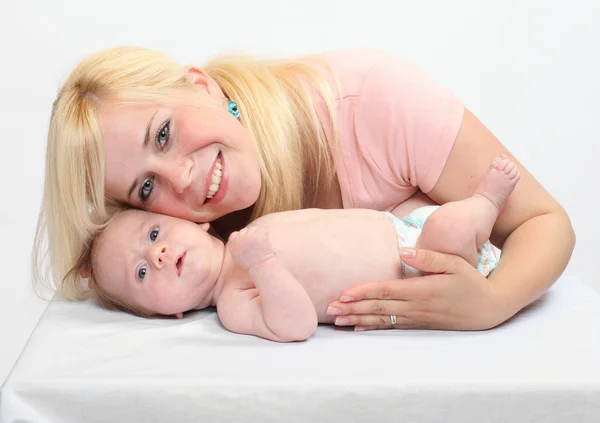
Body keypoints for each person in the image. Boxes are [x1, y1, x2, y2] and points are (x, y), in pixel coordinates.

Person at [33, 45, 575, 332]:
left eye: (166, 133)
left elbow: (544, 223)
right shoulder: (205, 246)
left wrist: (491, 304)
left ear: (199, 85)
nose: (183, 178)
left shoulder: (371, 99)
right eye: (146, 187)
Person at [75, 156, 520, 341]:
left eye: (154, 235)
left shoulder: (247, 231)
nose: (156, 255)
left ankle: (484, 213)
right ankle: (487, 202)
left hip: (403, 226)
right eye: (141, 274)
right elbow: (296, 325)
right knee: (448, 228)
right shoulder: (232, 300)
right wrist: (262, 265)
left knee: (435, 214)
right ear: (163, 313)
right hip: (419, 270)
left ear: (196, 221)